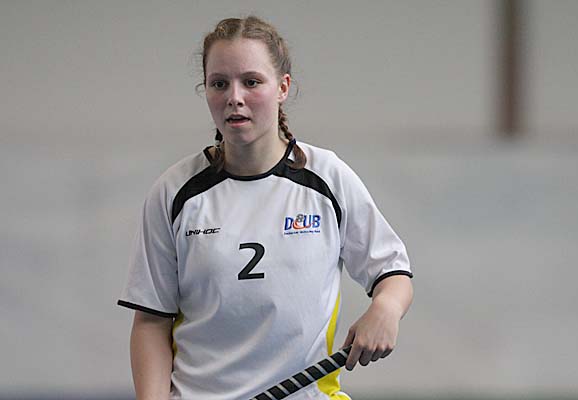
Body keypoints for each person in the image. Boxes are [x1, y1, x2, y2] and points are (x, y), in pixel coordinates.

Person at [118, 16, 414, 400]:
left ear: (283, 87)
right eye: (219, 83)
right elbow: (151, 321)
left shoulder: (327, 178)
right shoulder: (174, 192)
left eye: (252, 82)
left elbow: (392, 273)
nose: (234, 97)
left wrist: (386, 308)